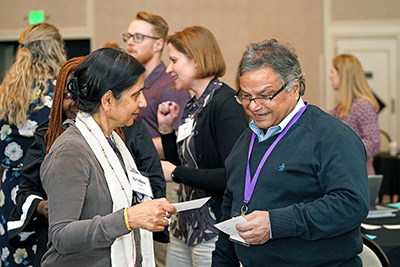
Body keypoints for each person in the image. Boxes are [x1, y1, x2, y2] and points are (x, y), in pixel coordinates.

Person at [212, 39, 369, 266]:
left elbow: (351, 204)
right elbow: (230, 209)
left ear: (294, 87)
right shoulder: (247, 139)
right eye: (246, 96)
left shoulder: (330, 136)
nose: (254, 106)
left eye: (265, 95)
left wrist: (276, 224)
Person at [39, 48, 176, 266]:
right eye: (135, 94)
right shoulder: (71, 151)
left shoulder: (112, 142)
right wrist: (128, 219)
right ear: (108, 100)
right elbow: (62, 235)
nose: (143, 103)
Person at [157, 26, 248, 267]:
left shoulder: (226, 104)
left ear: (196, 60)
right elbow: (186, 166)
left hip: (212, 231)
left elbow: (230, 176)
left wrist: (175, 174)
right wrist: (167, 131)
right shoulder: (192, 106)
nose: (169, 69)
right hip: (183, 229)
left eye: (174, 60)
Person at [6, 56, 85, 267]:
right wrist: (43, 206)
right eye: (68, 95)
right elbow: (26, 191)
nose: (75, 102)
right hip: (55, 243)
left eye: (83, 94)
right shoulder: (46, 135)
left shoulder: (120, 135)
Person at [0, 23, 66, 267]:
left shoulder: (7, 94)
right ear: (56, 49)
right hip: (46, 190)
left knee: (13, 251)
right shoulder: (60, 95)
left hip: (11, 188)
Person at [123, 11, 190, 158]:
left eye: (138, 37)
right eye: (128, 36)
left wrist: (127, 146)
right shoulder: (134, 84)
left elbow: (183, 139)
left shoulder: (171, 86)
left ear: (158, 44)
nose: (130, 42)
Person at [328, 54, 380, 175]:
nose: (330, 77)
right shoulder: (342, 106)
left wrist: (342, 150)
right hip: (345, 172)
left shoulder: (362, 105)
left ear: (343, 75)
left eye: (332, 72)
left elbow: (373, 142)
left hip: (358, 174)